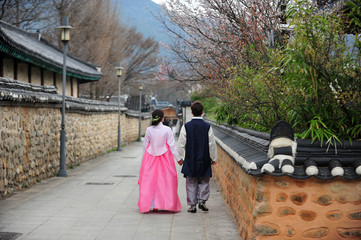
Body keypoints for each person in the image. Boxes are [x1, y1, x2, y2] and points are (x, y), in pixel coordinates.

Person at [138, 109, 183, 213]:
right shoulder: (167, 130)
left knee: (151, 181)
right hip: (165, 158)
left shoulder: (149, 130)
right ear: (162, 118)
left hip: (150, 158)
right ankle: (167, 203)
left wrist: (142, 163)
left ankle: (153, 205)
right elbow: (172, 146)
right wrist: (179, 159)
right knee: (166, 181)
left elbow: (145, 146)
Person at [177, 101, 217, 213]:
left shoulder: (186, 127)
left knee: (191, 182)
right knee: (204, 181)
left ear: (191, 112)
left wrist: (180, 158)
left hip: (190, 159)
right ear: (202, 112)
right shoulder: (207, 127)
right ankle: (202, 201)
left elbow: (181, 144)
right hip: (204, 159)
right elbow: (211, 144)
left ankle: (192, 205)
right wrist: (213, 158)